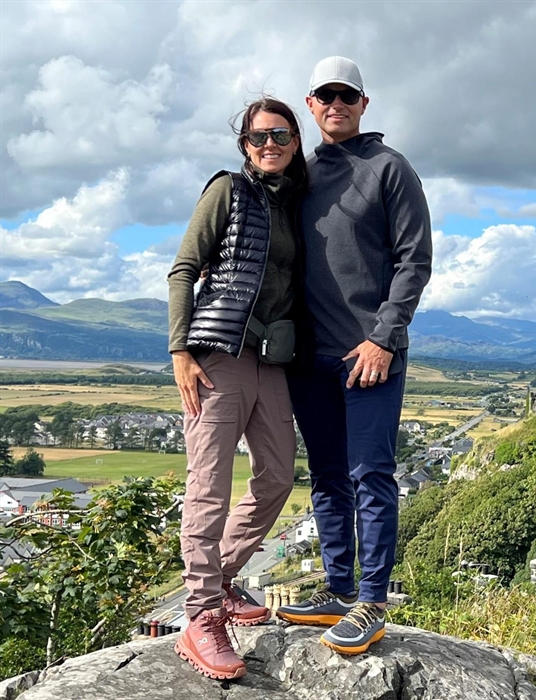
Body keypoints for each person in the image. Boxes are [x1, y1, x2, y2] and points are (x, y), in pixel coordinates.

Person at [275, 56, 432, 655]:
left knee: (371, 477)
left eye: (347, 96)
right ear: (310, 105)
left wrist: (384, 336)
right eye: (324, 96)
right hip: (310, 357)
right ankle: (340, 590)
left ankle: (371, 601)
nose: (335, 104)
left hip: (371, 354)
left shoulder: (390, 169)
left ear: (364, 104)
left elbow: (414, 259)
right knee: (328, 478)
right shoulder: (304, 173)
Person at [167, 97, 308, 679]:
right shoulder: (227, 190)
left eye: (279, 134)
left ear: (295, 140)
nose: (268, 144)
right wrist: (180, 350)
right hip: (218, 354)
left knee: (277, 474)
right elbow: (183, 268)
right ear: (244, 145)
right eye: (257, 137)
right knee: (209, 484)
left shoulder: (297, 201)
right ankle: (200, 616)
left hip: (270, 359)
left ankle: (219, 580)